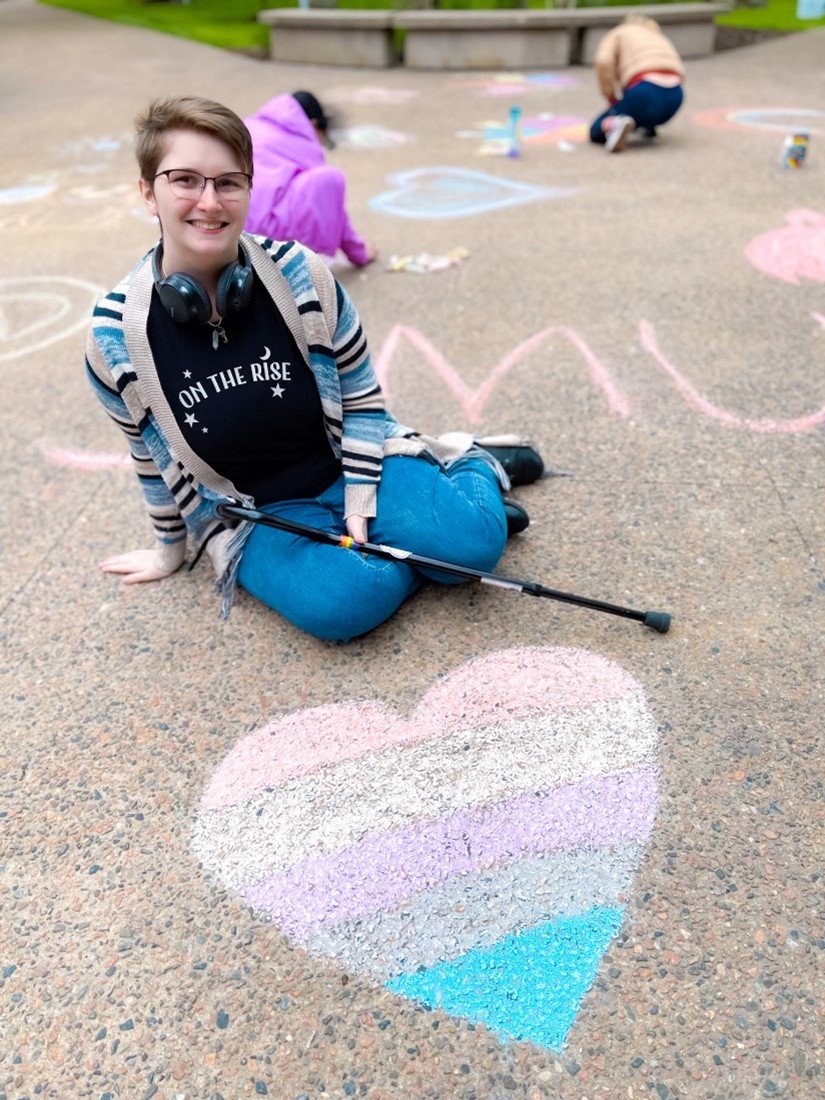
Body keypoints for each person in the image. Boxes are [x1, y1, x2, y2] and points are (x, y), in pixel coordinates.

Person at [85, 95, 546, 643]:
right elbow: (149, 455)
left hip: (347, 462)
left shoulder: (301, 275)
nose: (209, 202)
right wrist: (169, 550)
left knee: (474, 547)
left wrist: (360, 497)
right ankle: (431, 537)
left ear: (249, 190)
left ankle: (468, 462)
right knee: (346, 606)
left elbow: (361, 399)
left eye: (229, 182)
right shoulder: (114, 337)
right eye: (185, 180)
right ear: (147, 192)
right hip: (259, 514)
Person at [243, 89, 376, 267]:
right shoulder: (303, 142)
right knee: (329, 179)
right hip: (263, 233)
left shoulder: (249, 124)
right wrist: (359, 252)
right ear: (314, 124)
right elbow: (333, 208)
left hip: (234, 226)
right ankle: (298, 260)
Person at [589, 15, 685, 153]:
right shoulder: (657, 35)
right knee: (643, 107)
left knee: (595, 130)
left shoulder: (618, 33)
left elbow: (603, 61)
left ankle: (615, 123)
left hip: (645, 91)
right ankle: (647, 126)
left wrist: (610, 96)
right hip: (676, 95)